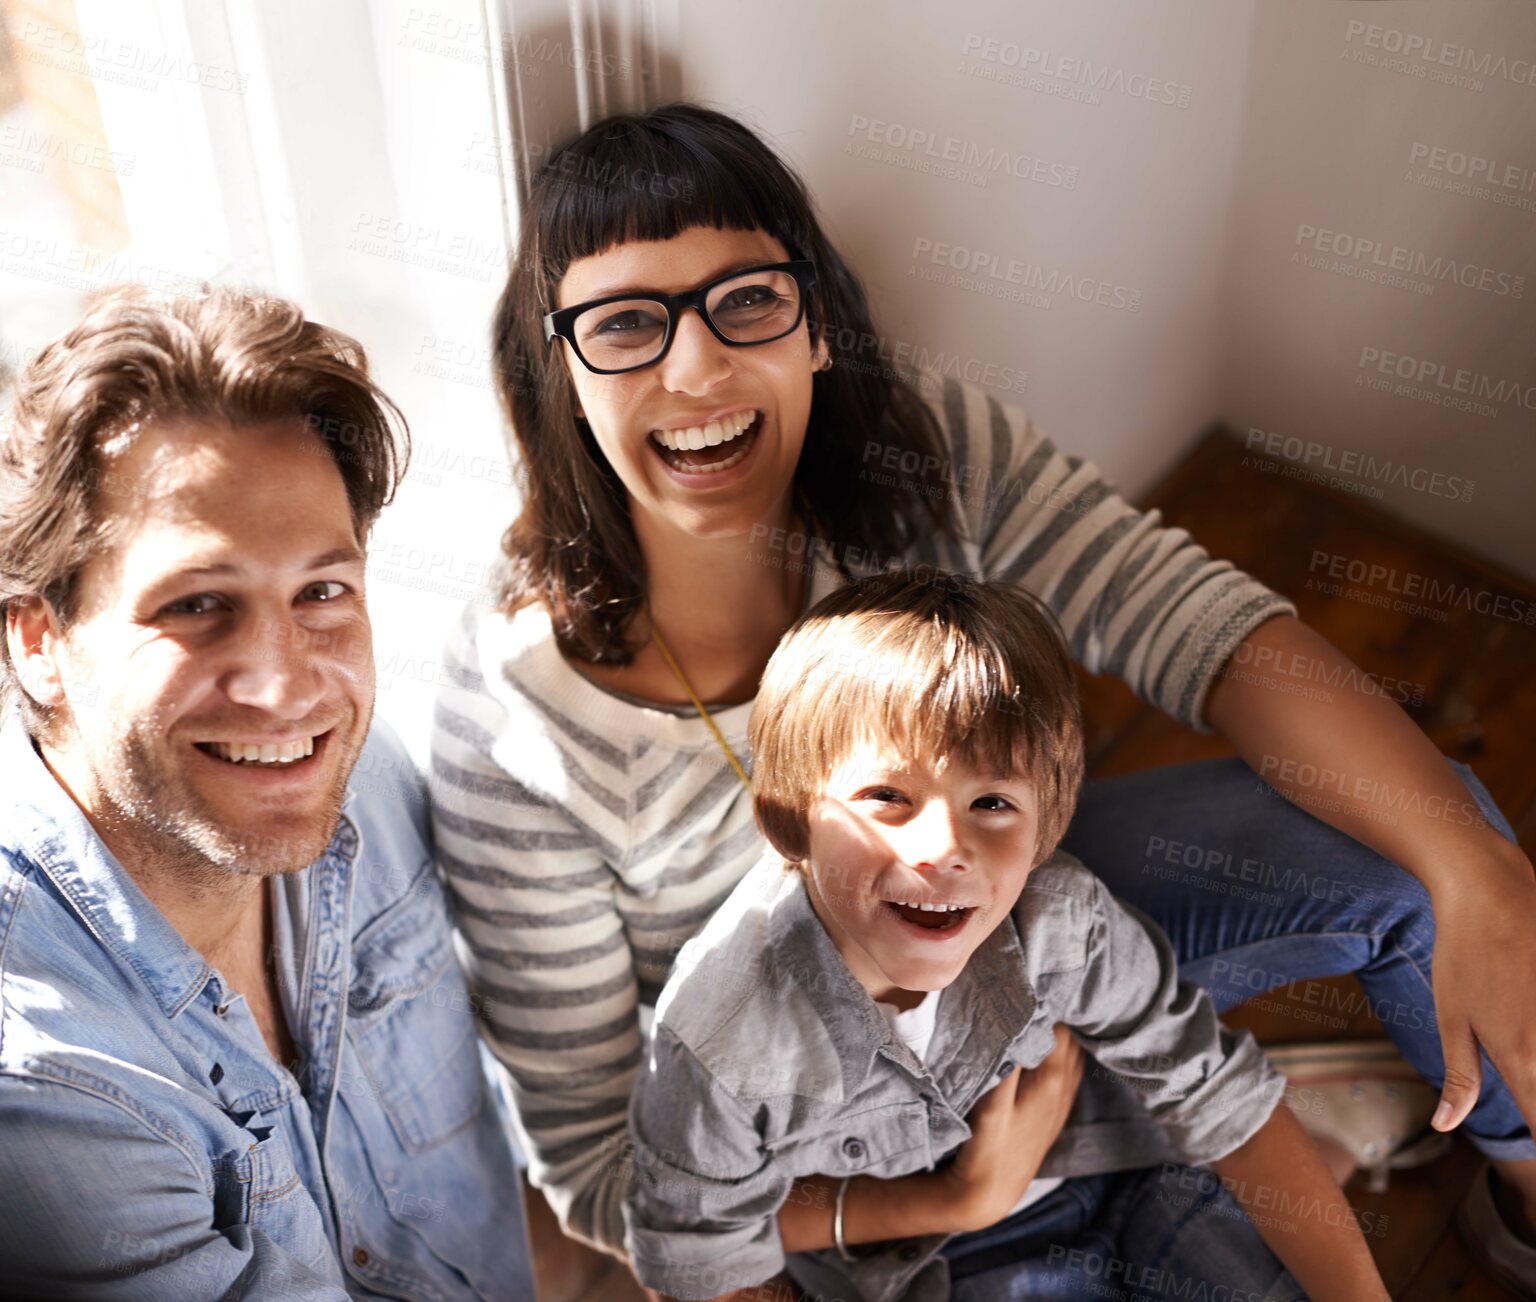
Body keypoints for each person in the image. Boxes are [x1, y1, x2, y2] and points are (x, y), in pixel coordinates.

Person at [429, 102, 1536, 1288]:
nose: (697, 366)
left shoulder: (919, 457)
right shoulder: (517, 721)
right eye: (627, 324)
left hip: (1041, 968)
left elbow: (1200, 626)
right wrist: (943, 1194)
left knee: (1434, 838)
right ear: (556, 372)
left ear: (816, 324)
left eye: (746, 299)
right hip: (848, 1136)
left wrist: (1480, 872)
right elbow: (612, 1180)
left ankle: (1517, 1203)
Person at [623, 569, 1388, 1302]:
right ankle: (1339, 1144)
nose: (945, 847)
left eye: (991, 801)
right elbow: (710, 1265)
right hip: (945, 1263)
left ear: (1044, 830)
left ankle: (1333, 1138)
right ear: (791, 820)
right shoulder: (719, 1044)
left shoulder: (1063, 917)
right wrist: (958, 1202)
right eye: (887, 796)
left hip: (1127, 1166)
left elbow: (1218, 1093)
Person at [0, 284, 536, 1299]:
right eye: (198, 606)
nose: (287, 687)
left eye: (321, 593)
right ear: (39, 641)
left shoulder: (357, 783)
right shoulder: (43, 1076)